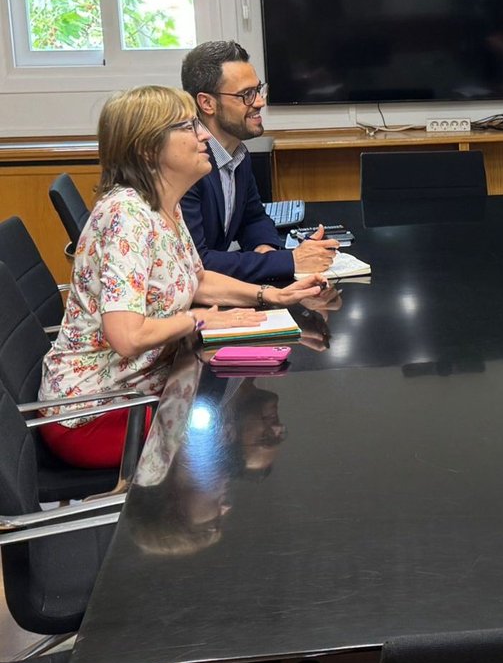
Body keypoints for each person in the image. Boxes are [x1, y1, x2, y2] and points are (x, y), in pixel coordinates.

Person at [40, 86, 325, 469]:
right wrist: (198, 319)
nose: (204, 135)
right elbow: (126, 337)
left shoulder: (162, 206)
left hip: (145, 391)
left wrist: (269, 297)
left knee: (230, 417)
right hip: (95, 413)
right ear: (146, 148)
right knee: (227, 437)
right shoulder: (127, 218)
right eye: (188, 127)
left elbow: (197, 279)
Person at [180, 41, 338, 281]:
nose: (260, 102)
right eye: (246, 94)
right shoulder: (185, 163)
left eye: (258, 89)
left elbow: (253, 217)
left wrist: (266, 248)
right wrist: (287, 260)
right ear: (207, 103)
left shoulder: (238, 153)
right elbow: (196, 262)